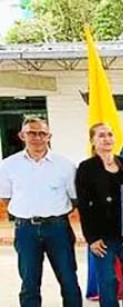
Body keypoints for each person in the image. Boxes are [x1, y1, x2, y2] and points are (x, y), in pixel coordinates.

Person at [0, 117, 82, 307]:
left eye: (42, 133)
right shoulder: (8, 165)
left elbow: (74, 198)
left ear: (49, 136)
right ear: (22, 135)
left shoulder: (65, 165)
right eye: (31, 133)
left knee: (69, 280)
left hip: (58, 229)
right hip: (26, 230)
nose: (37, 137)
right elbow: (6, 198)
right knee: (29, 283)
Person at [76, 123, 123, 307]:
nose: (107, 138)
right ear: (93, 140)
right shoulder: (86, 168)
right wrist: (92, 238)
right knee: (108, 282)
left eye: (110, 134)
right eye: (101, 135)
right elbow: (84, 205)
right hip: (101, 237)